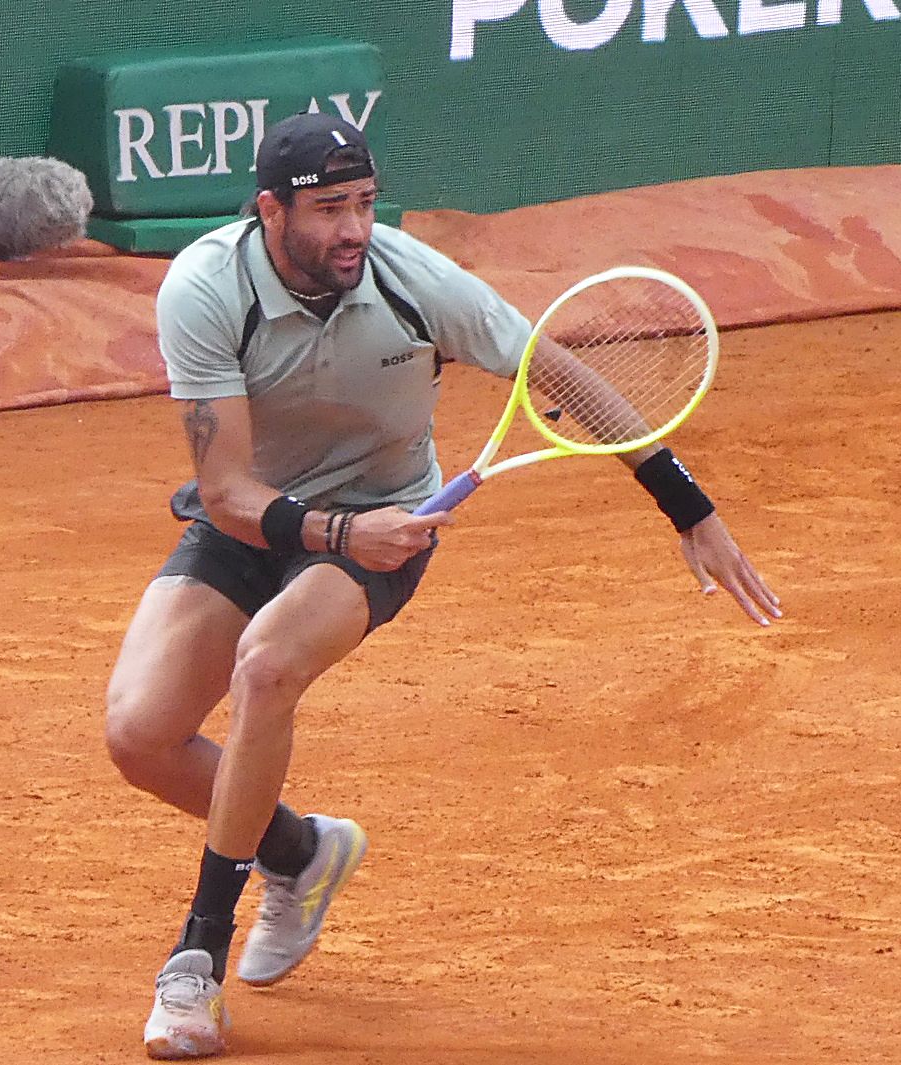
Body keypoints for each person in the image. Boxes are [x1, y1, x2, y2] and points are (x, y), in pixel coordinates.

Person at [104, 111, 781, 1060]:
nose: (353, 229)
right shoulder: (207, 290)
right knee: (139, 736)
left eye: (367, 204)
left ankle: (195, 961)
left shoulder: (417, 283)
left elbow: (563, 375)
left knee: (267, 667)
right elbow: (225, 490)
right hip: (259, 521)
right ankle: (303, 852)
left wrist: (689, 506)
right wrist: (338, 528)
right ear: (269, 211)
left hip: (388, 525)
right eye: (328, 207)